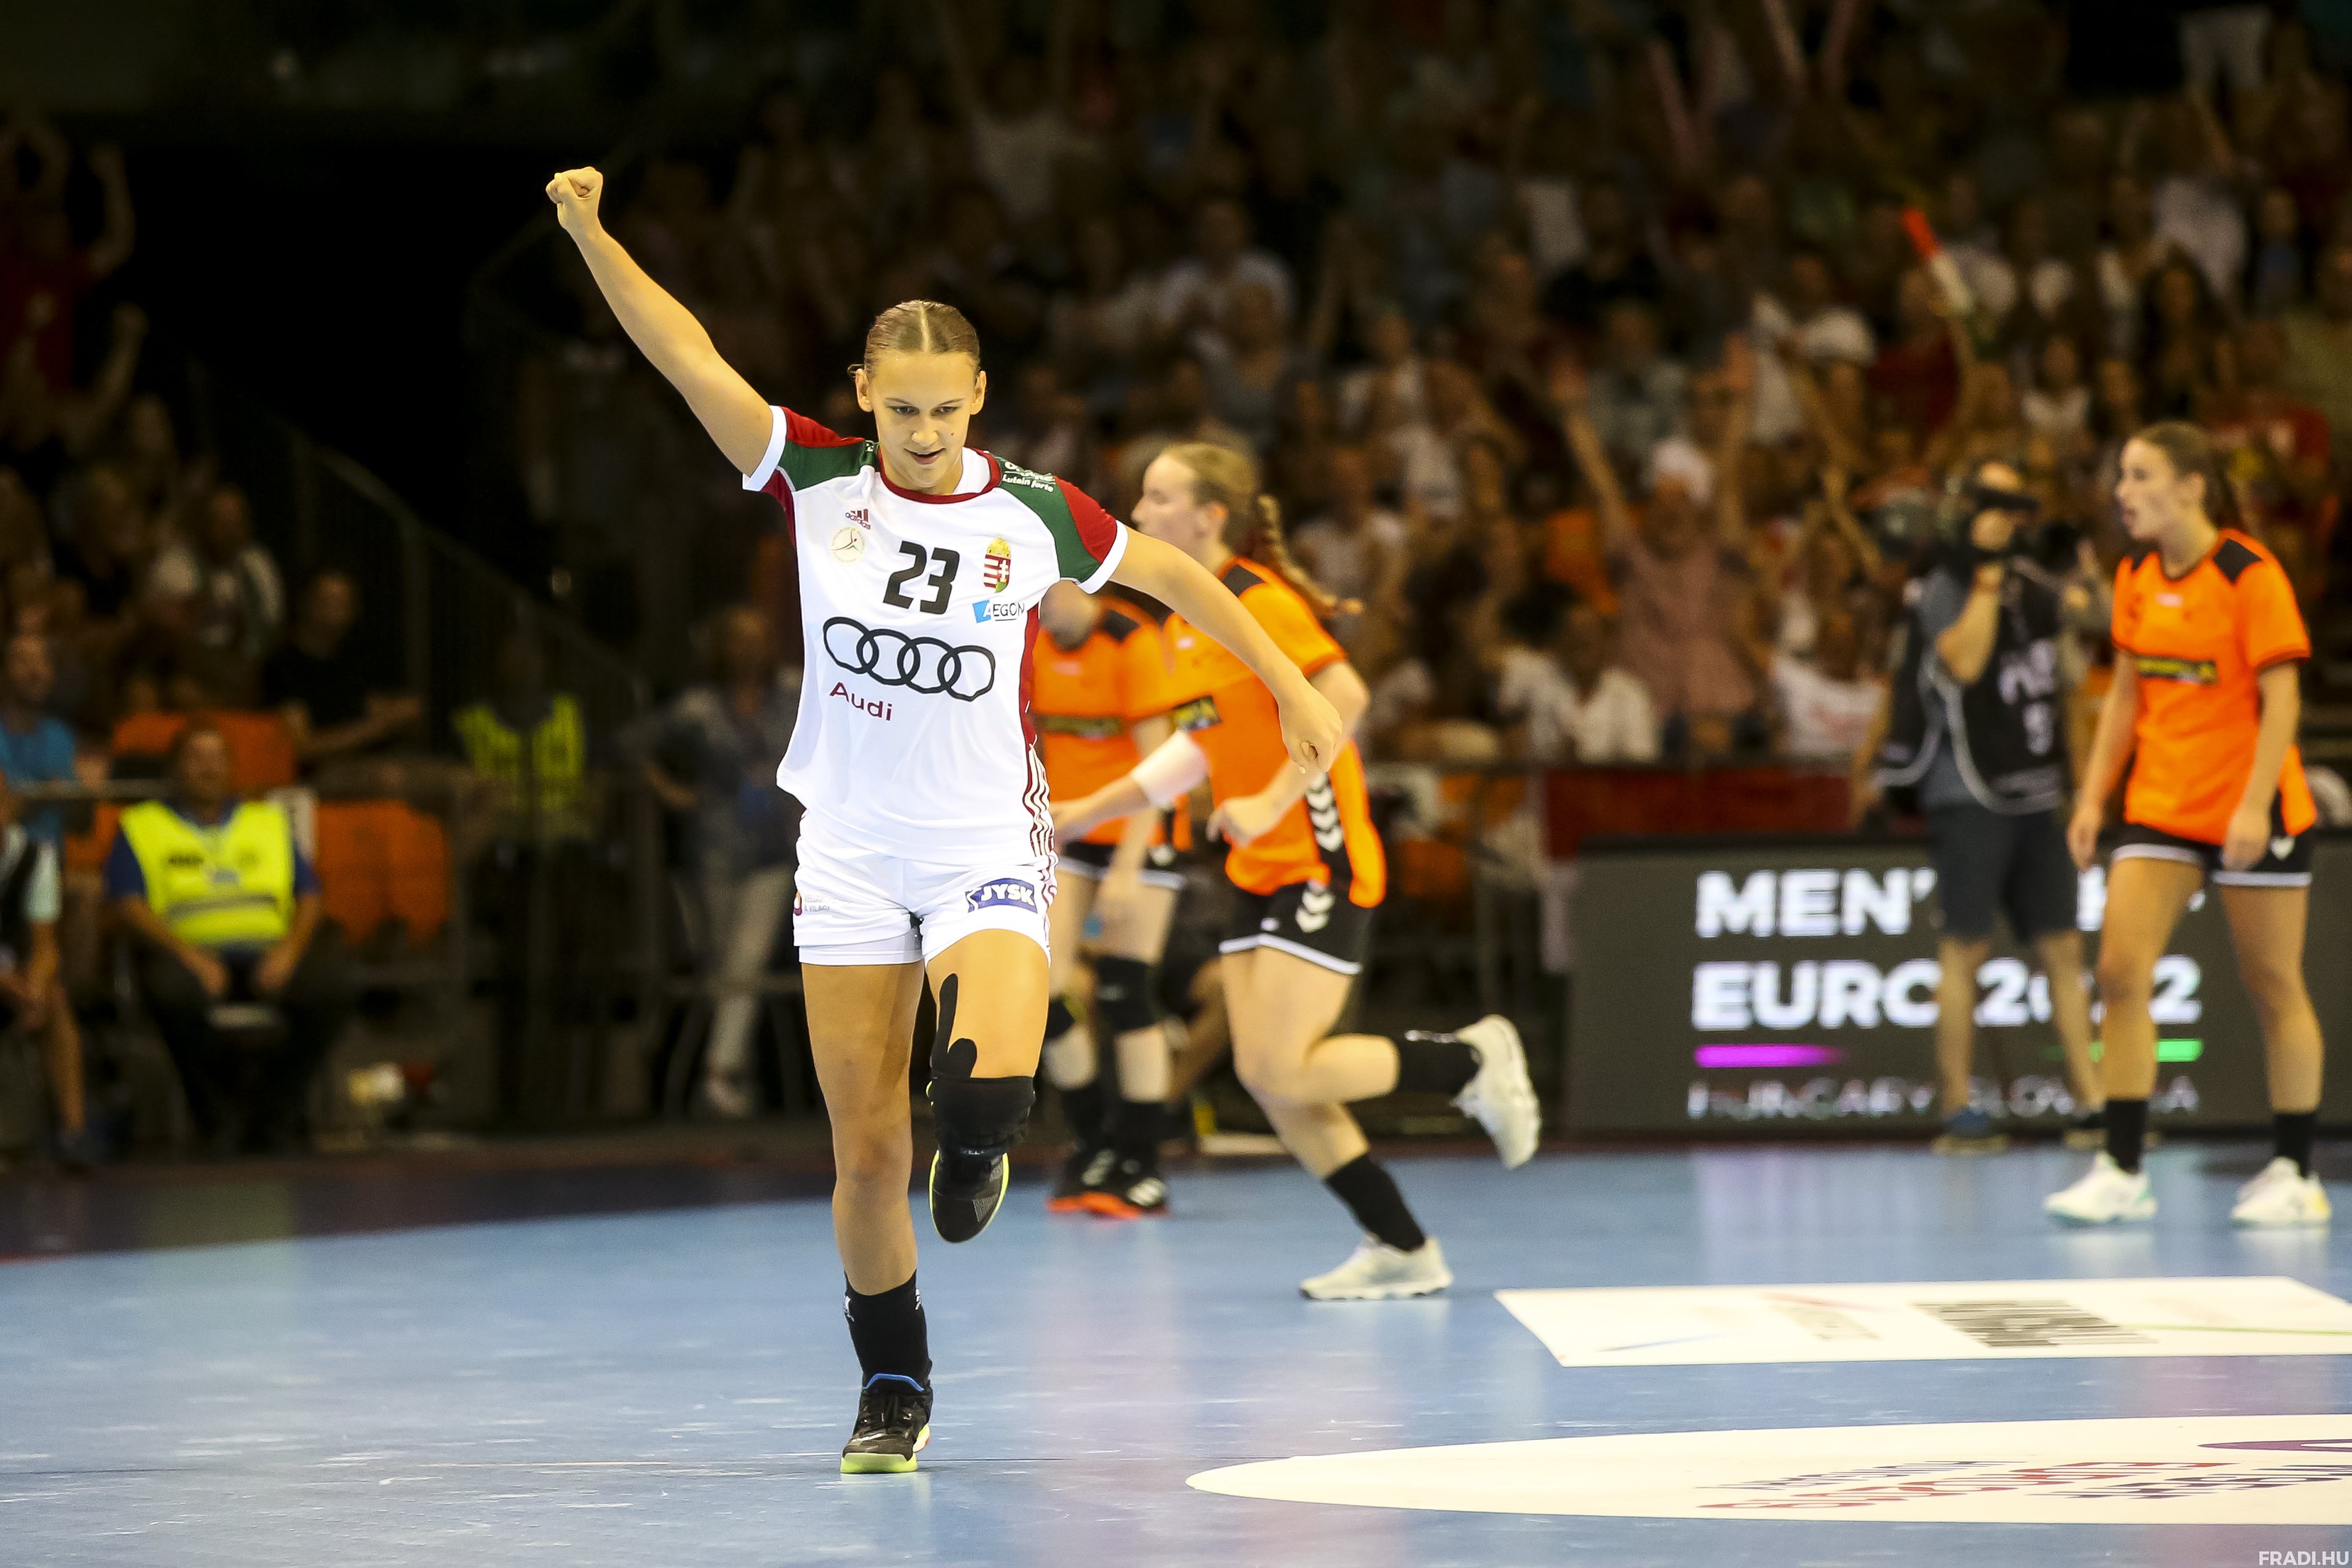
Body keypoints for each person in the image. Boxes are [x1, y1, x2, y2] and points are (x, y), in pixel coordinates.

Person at [545, 166, 1344, 1475]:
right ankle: (894, 1385)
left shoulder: (1031, 510)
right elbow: (684, 354)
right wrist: (590, 232)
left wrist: (1290, 681)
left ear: (978, 398)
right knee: (866, 1149)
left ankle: (977, 1144)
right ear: (865, 393)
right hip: (851, 849)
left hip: (983, 844)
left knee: (984, 1091)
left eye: (945, 408)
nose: (922, 432)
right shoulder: (815, 476)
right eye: (901, 407)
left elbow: (1177, 575)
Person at [1052, 443, 1540, 1303]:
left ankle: (1467, 1061)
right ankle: (1401, 1246)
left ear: (1210, 516)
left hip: (1317, 854)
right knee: (1270, 1079)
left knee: (1283, 1068)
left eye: (1158, 497)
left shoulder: (1257, 599)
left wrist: (1274, 797)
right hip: (1258, 867)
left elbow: (1344, 696)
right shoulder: (1179, 625)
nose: (1138, 511)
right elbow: (1194, 750)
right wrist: (1087, 810)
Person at [2047, 423, 2329, 1229]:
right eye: (2121, 476)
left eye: (2140, 476)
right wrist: (2090, 798)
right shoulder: (2134, 574)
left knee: (2272, 983)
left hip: (2252, 806)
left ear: (2190, 487)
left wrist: (2252, 804)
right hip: (2162, 807)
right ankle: (2121, 1168)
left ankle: (2293, 1171)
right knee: (2117, 972)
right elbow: (2125, 696)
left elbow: (2282, 698)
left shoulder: (2247, 574)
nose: (2122, 492)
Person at [1874, 462, 2099, 1153]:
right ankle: (1958, 1108)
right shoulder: (1943, 585)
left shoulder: (2034, 585)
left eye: (2013, 505)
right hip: (1967, 792)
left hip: (2038, 789)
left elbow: (2100, 628)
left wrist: (2085, 569)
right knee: (1964, 947)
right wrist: (1988, 575)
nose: (2004, 518)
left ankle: (2092, 1104)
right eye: (1991, 504)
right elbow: (1964, 662)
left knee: (2062, 946)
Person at [105, 722, 350, 1155]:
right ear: (174, 769)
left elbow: (310, 895)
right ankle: (217, 1118)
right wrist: (190, 956)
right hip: (189, 955)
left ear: (232, 768)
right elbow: (128, 904)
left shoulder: (267, 822)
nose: (208, 768)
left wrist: (289, 952)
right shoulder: (142, 825)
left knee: (332, 988)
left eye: (218, 758)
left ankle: (274, 1117)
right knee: (170, 993)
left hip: (268, 952)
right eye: (196, 758)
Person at [1029, 580, 1183, 1217]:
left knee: (1124, 990)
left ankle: (1142, 1160)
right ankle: (1092, 1142)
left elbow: (1161, 764)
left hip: (1138, 832)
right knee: (1041, 992)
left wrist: (1126, 867)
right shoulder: (1030, 640)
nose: (1042, 604)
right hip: (1070, 831)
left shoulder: (1129, 640)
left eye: (1050, 590)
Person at [641, 604, 799, 1119]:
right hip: (713, 851)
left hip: (773, 850)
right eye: (738, 639)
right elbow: (637, 744)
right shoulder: (699, 707)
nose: (749, 649)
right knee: (721, 967)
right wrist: (674, 793)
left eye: (758, 638)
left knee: (747, 961)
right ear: (722, 648)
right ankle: (735, 1076)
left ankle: (717, 1074)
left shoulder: (793, 694)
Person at [262, 572, 426, 784]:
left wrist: (400, 714)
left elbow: (371, 707)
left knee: (462, 781)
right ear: (304, 602)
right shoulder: (284, 664)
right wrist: (379, 726)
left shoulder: (353, 658)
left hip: (371, 760)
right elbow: (304, 749)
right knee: (389, 777)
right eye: (328, 601)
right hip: (314, 775)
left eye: (344, 603)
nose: (336, 611)